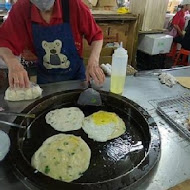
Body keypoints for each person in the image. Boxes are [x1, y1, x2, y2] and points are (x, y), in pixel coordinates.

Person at [0, 0, 105, 88]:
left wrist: (93, 62)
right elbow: (3, 43)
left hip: (76, 79)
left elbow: (96, 36)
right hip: (46, 82)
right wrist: (13, 63)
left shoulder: (74, 5)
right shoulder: (21, 9)